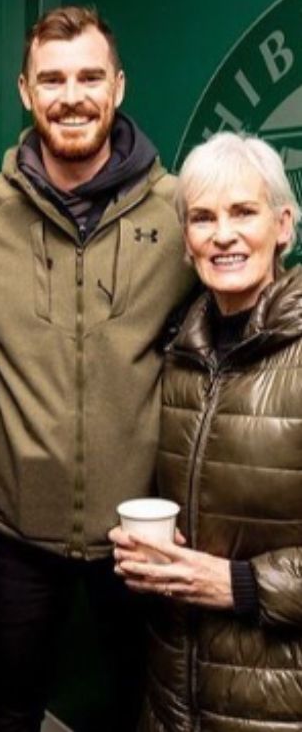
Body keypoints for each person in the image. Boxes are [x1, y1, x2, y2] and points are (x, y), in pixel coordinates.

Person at [0, 6, 193, 732]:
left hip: (142, 534)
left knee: (140, 709)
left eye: (88, 76)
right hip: (15, 530)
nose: (70, 95)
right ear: (25, 91)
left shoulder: (180, 211)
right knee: (11, 709)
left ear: (117, 86)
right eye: (51, 79)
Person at [110, 131, 302, 731]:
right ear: (187, 242)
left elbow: (230, 578)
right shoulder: (179, 353)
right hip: (174, 690)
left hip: (277, 701)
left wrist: (243, 585)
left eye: (244, 212)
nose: (223, 235)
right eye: (202, 218)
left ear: (284, 225)